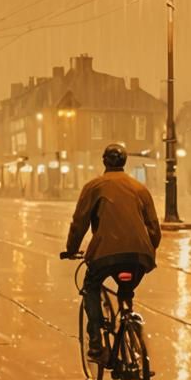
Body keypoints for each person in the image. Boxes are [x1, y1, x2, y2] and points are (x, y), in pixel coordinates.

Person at [61, 143, 162, 363]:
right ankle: (130, 322)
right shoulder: (139, 188)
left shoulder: (94, 186)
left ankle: (96, 345)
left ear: (104, 161)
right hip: (140, 256)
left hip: (105, 255)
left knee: (91, 287)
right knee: (126, 289)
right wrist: (150, 248)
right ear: (125, 162)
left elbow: (80, 223)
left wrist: (71, 250)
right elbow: (154, 227)